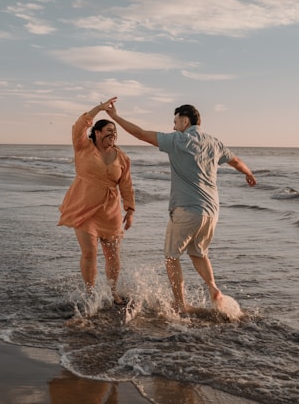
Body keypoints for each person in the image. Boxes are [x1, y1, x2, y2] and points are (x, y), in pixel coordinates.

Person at [106, 99, 256, 313]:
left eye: (175, 121)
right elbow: (236, 161)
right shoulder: (214, 142)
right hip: (211, 212)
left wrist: (115, 117)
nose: (173, 126)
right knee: (198, 253)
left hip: (186, 210)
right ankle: (213, 289)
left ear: (185, 121)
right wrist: (249, 174)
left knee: (172, 256)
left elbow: (140, 134)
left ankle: (180, 304)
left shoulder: (178, 140)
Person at [58, 97, 135, 305]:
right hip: (83, 208)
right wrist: (99, 109)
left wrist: (130, 210)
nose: (113, 135)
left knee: (112, 256)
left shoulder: (122, 157)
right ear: (97, 132)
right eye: (108, 131)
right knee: (89, 253)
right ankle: (91, 293)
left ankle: (112, 292)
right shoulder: (83, 147)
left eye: (115, 132)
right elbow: (78, 126)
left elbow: (126, 184)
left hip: (110, 211)